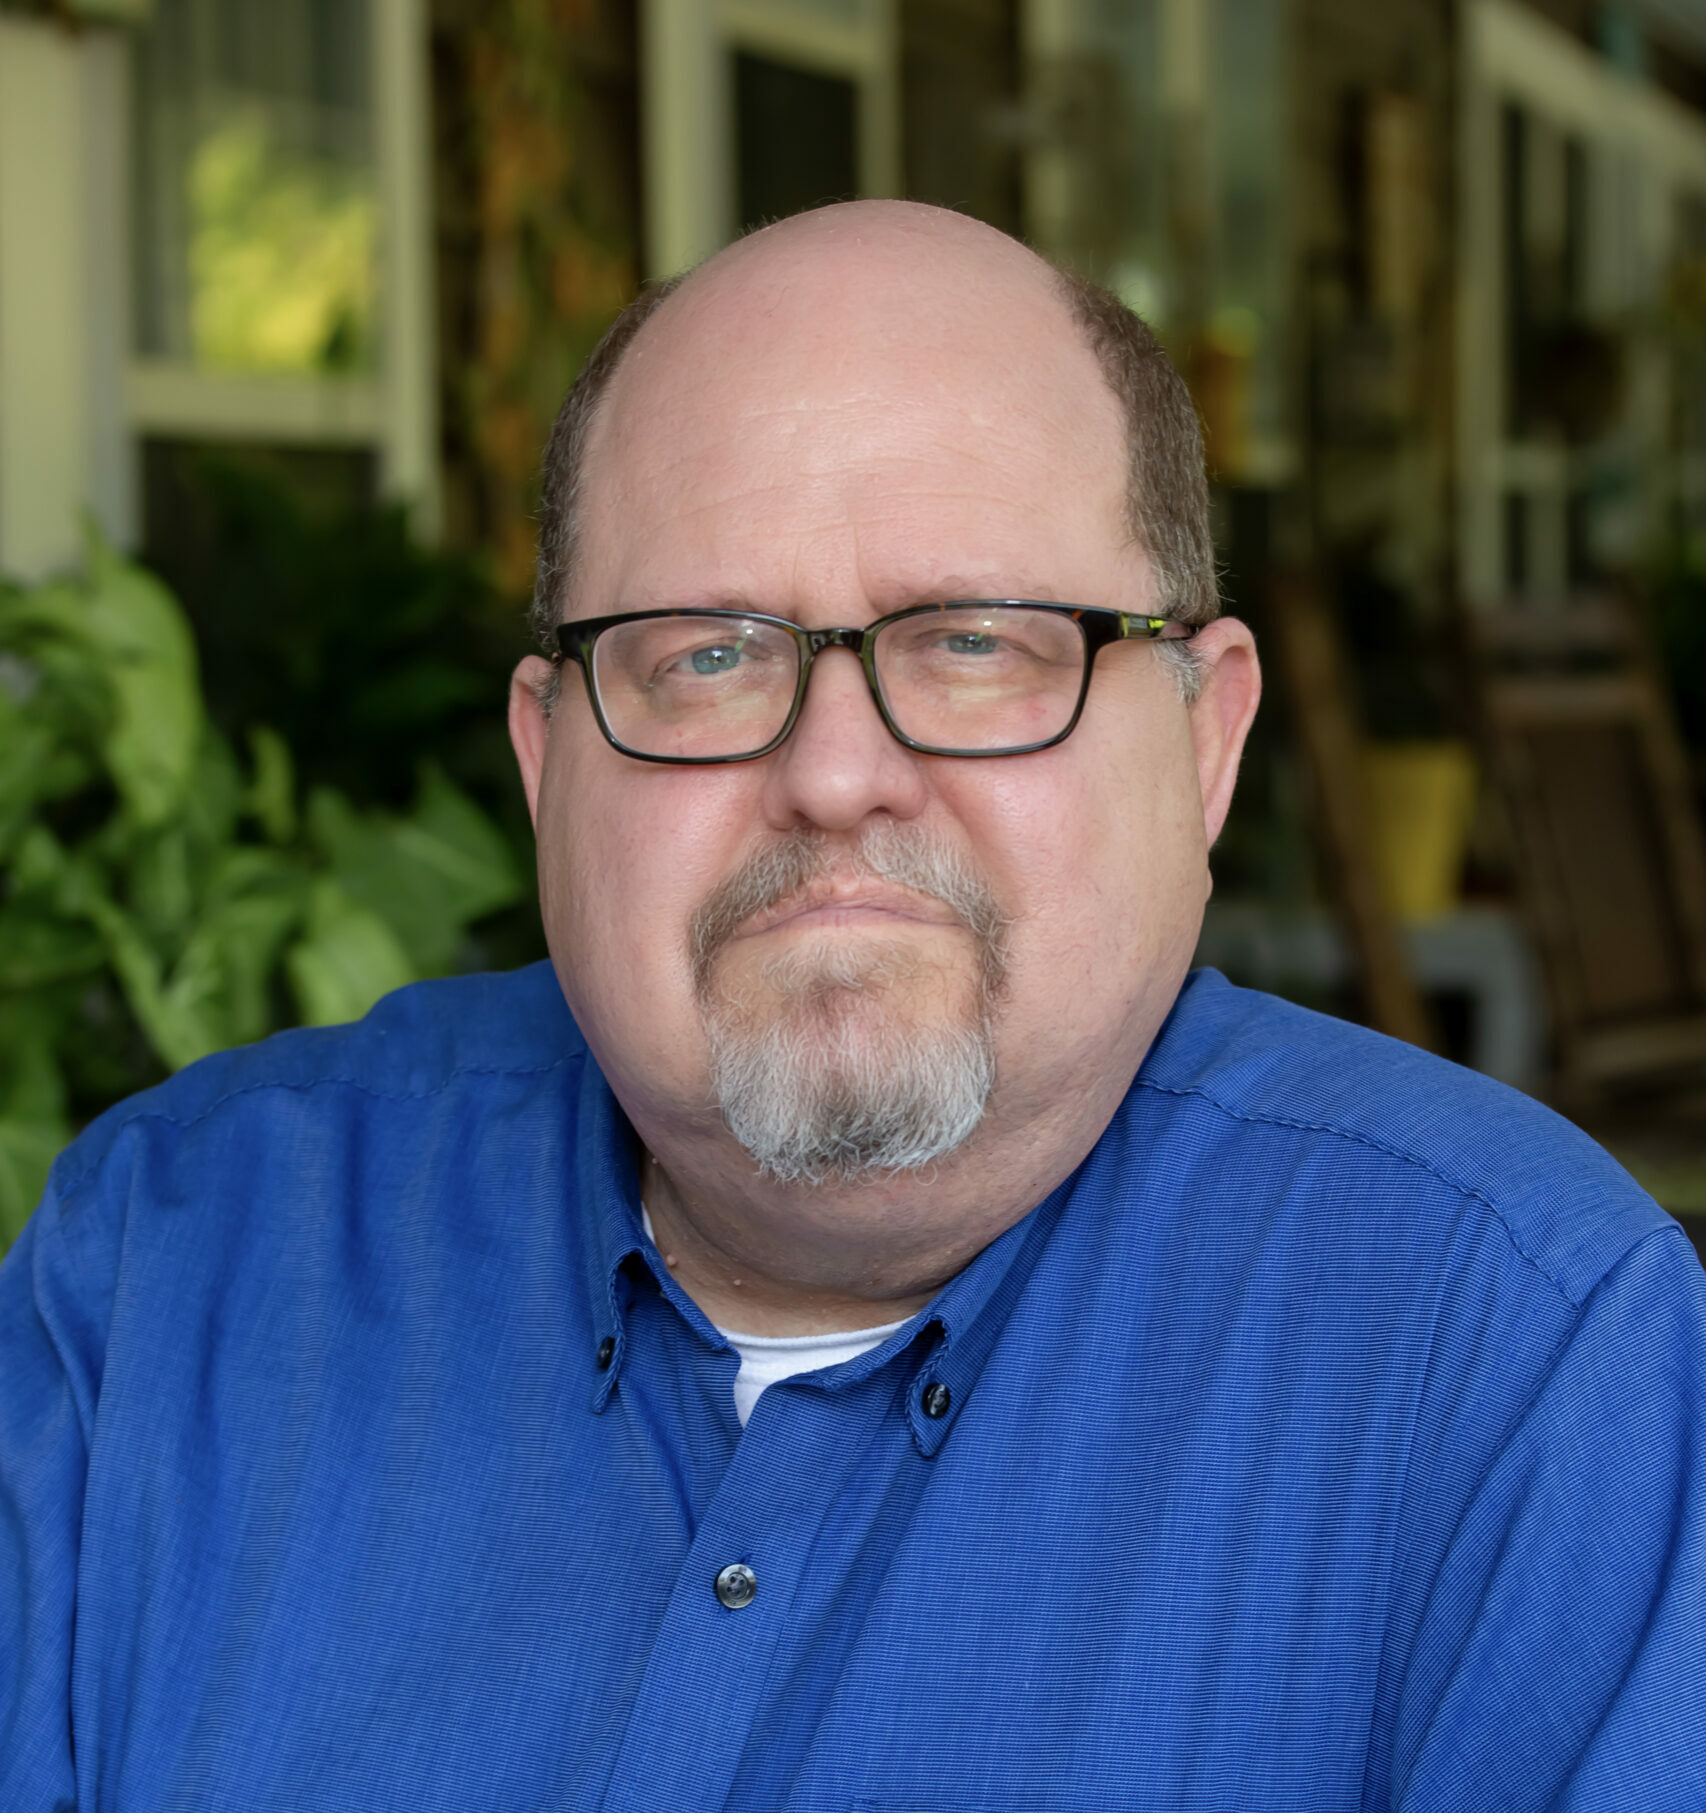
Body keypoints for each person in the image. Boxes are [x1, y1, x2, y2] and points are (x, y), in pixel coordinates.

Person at [2, 201, 1702, 1810]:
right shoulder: (164, 1274)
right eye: (702, 653)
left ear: (1202, 740)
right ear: (545, 759)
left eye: (974, 642)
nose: (831, 773)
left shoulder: (1523, 1361)